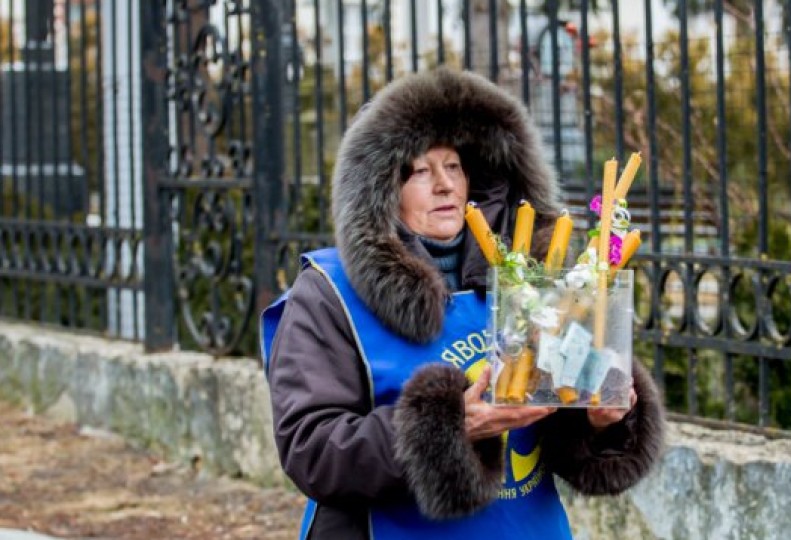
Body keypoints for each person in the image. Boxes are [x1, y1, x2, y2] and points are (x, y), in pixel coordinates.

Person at [260, 68, 665, 540]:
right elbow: (312, 449)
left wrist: (602, 421)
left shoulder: (532, 280)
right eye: (418, 171)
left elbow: (561, 443)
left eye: (453, 166)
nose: (444, 185)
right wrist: (450, 427)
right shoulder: (329, 294)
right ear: (381, 190)